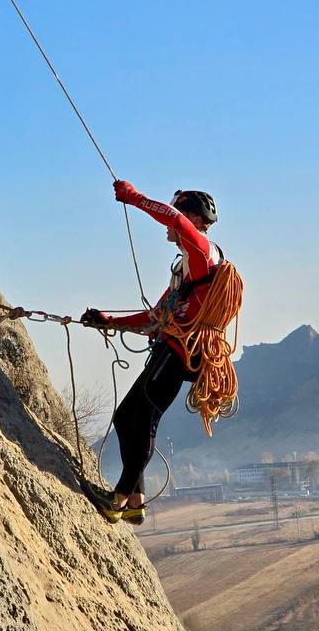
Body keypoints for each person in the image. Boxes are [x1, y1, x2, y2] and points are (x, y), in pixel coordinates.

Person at [80, 180, 221, 525]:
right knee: (126, 418)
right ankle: (135, 500)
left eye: (184, 215)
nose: (174, 230)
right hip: (170, 350)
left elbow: (174, 220)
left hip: (180, 353)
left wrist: (134, 198)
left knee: (142, 420)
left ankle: (118, 499)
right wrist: (109, 320)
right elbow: (156, 317)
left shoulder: (203, 253)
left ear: (196, 219)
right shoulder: (187, 269)